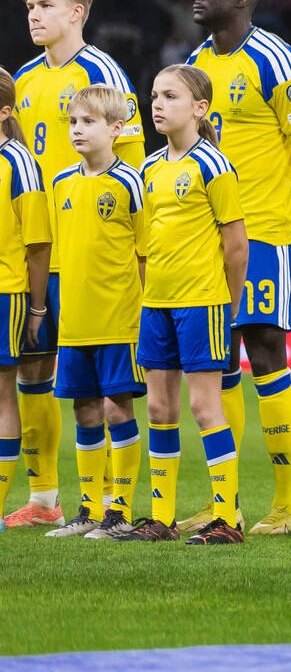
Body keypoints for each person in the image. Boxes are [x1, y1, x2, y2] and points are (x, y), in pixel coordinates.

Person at [188, 0, 291, 536]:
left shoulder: (275, 57)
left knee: (266, 356)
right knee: (217, 363)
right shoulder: (197, 63)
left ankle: (287, 507)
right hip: (208, 236)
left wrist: (285, 217)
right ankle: (226, 505)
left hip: (263, 233)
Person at [8, 0, 143, 530]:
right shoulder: (24, 79)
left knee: (110, 388)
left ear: (76, 12)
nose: (34, 15)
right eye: (30, 7)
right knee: (34, 372)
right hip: (38, 253)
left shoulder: (103, 72)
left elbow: (131, 167)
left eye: (44, 5)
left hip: (94, 259)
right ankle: (46, 498)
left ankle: (115, 504)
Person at [129, 68, 250, 543]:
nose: (157, 103)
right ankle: (162, 518)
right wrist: (147, 295)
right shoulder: (149, 168)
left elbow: (236, 245)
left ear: (200, 109)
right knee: (159, 408)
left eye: (171, 96)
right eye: (155, 95)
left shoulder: (213, 165)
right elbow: (146, 245)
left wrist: (228, 303)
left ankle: (228, 517)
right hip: (157, 303)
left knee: (204, 407)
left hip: (203, 303)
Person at [43, 84, 151, 540]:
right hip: (76, 320)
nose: (78, 130)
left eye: (88, 122)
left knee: (115, 407)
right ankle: (89, 507)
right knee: (84, 409)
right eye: (73, 122)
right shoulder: (61, 182)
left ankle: (120, 510)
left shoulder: (130, 182)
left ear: (116, 128)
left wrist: (146, 312)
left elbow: (146, 252)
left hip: (120, 318)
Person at [0, 67, 51, 521]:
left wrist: (36, 307)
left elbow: (37, 244)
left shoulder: (19, 163)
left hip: (5, 292)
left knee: (3, 393)